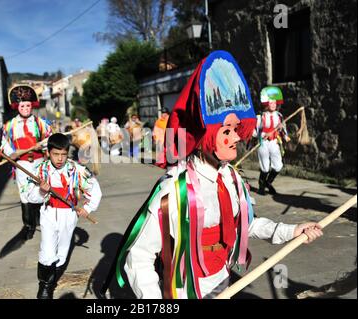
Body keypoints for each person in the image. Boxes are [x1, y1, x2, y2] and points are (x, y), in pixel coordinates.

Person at [110, 51, 323, 299]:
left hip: (223, 280)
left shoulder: (232, 179)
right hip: (186, 290)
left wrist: (292, 230)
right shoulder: (175, 190)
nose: (236, 138)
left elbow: (246, 224)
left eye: (236, 129)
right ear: (203, 138)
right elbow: (139, 257)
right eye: (226, 131)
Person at [27, 133, 102, 299]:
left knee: (62, 251)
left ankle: (53, 277)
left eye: (63, 154)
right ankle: (45, 287)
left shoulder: (78, 170)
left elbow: (94, 189)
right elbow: (29, 196)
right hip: (48, 213)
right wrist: (41, 190)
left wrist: (87, 208)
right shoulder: (39, 170)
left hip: (69, 215)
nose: (60, 159)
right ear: (48, 152)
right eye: (55, 154)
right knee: (47, 250)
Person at [0, 85, 52, 240]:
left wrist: (40, 145)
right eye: (22, 105)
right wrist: (12, 153)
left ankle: (42, 220)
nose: (25, 108)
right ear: (17, 106)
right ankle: (29, 225)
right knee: (25, 194)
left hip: (39, 162)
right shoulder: (9, 126)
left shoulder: (41, 123)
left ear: (32, 105)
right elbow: (4, 143)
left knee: (42, 190)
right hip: (21, 164)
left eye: (28, 105)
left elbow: (50, 138)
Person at [254, 86, 291, 195]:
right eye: (271, 103)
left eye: (275, 103)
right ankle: (261, 186)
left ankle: (268, 183)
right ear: (266, 104)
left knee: (278, 166)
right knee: (265, 167)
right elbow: (254, 132)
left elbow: (283, 128)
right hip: (263, 143)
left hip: (274, 142)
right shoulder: (260, 117)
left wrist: (284, 134)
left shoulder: (279, 115)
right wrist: (264, 134)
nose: (273, 105)